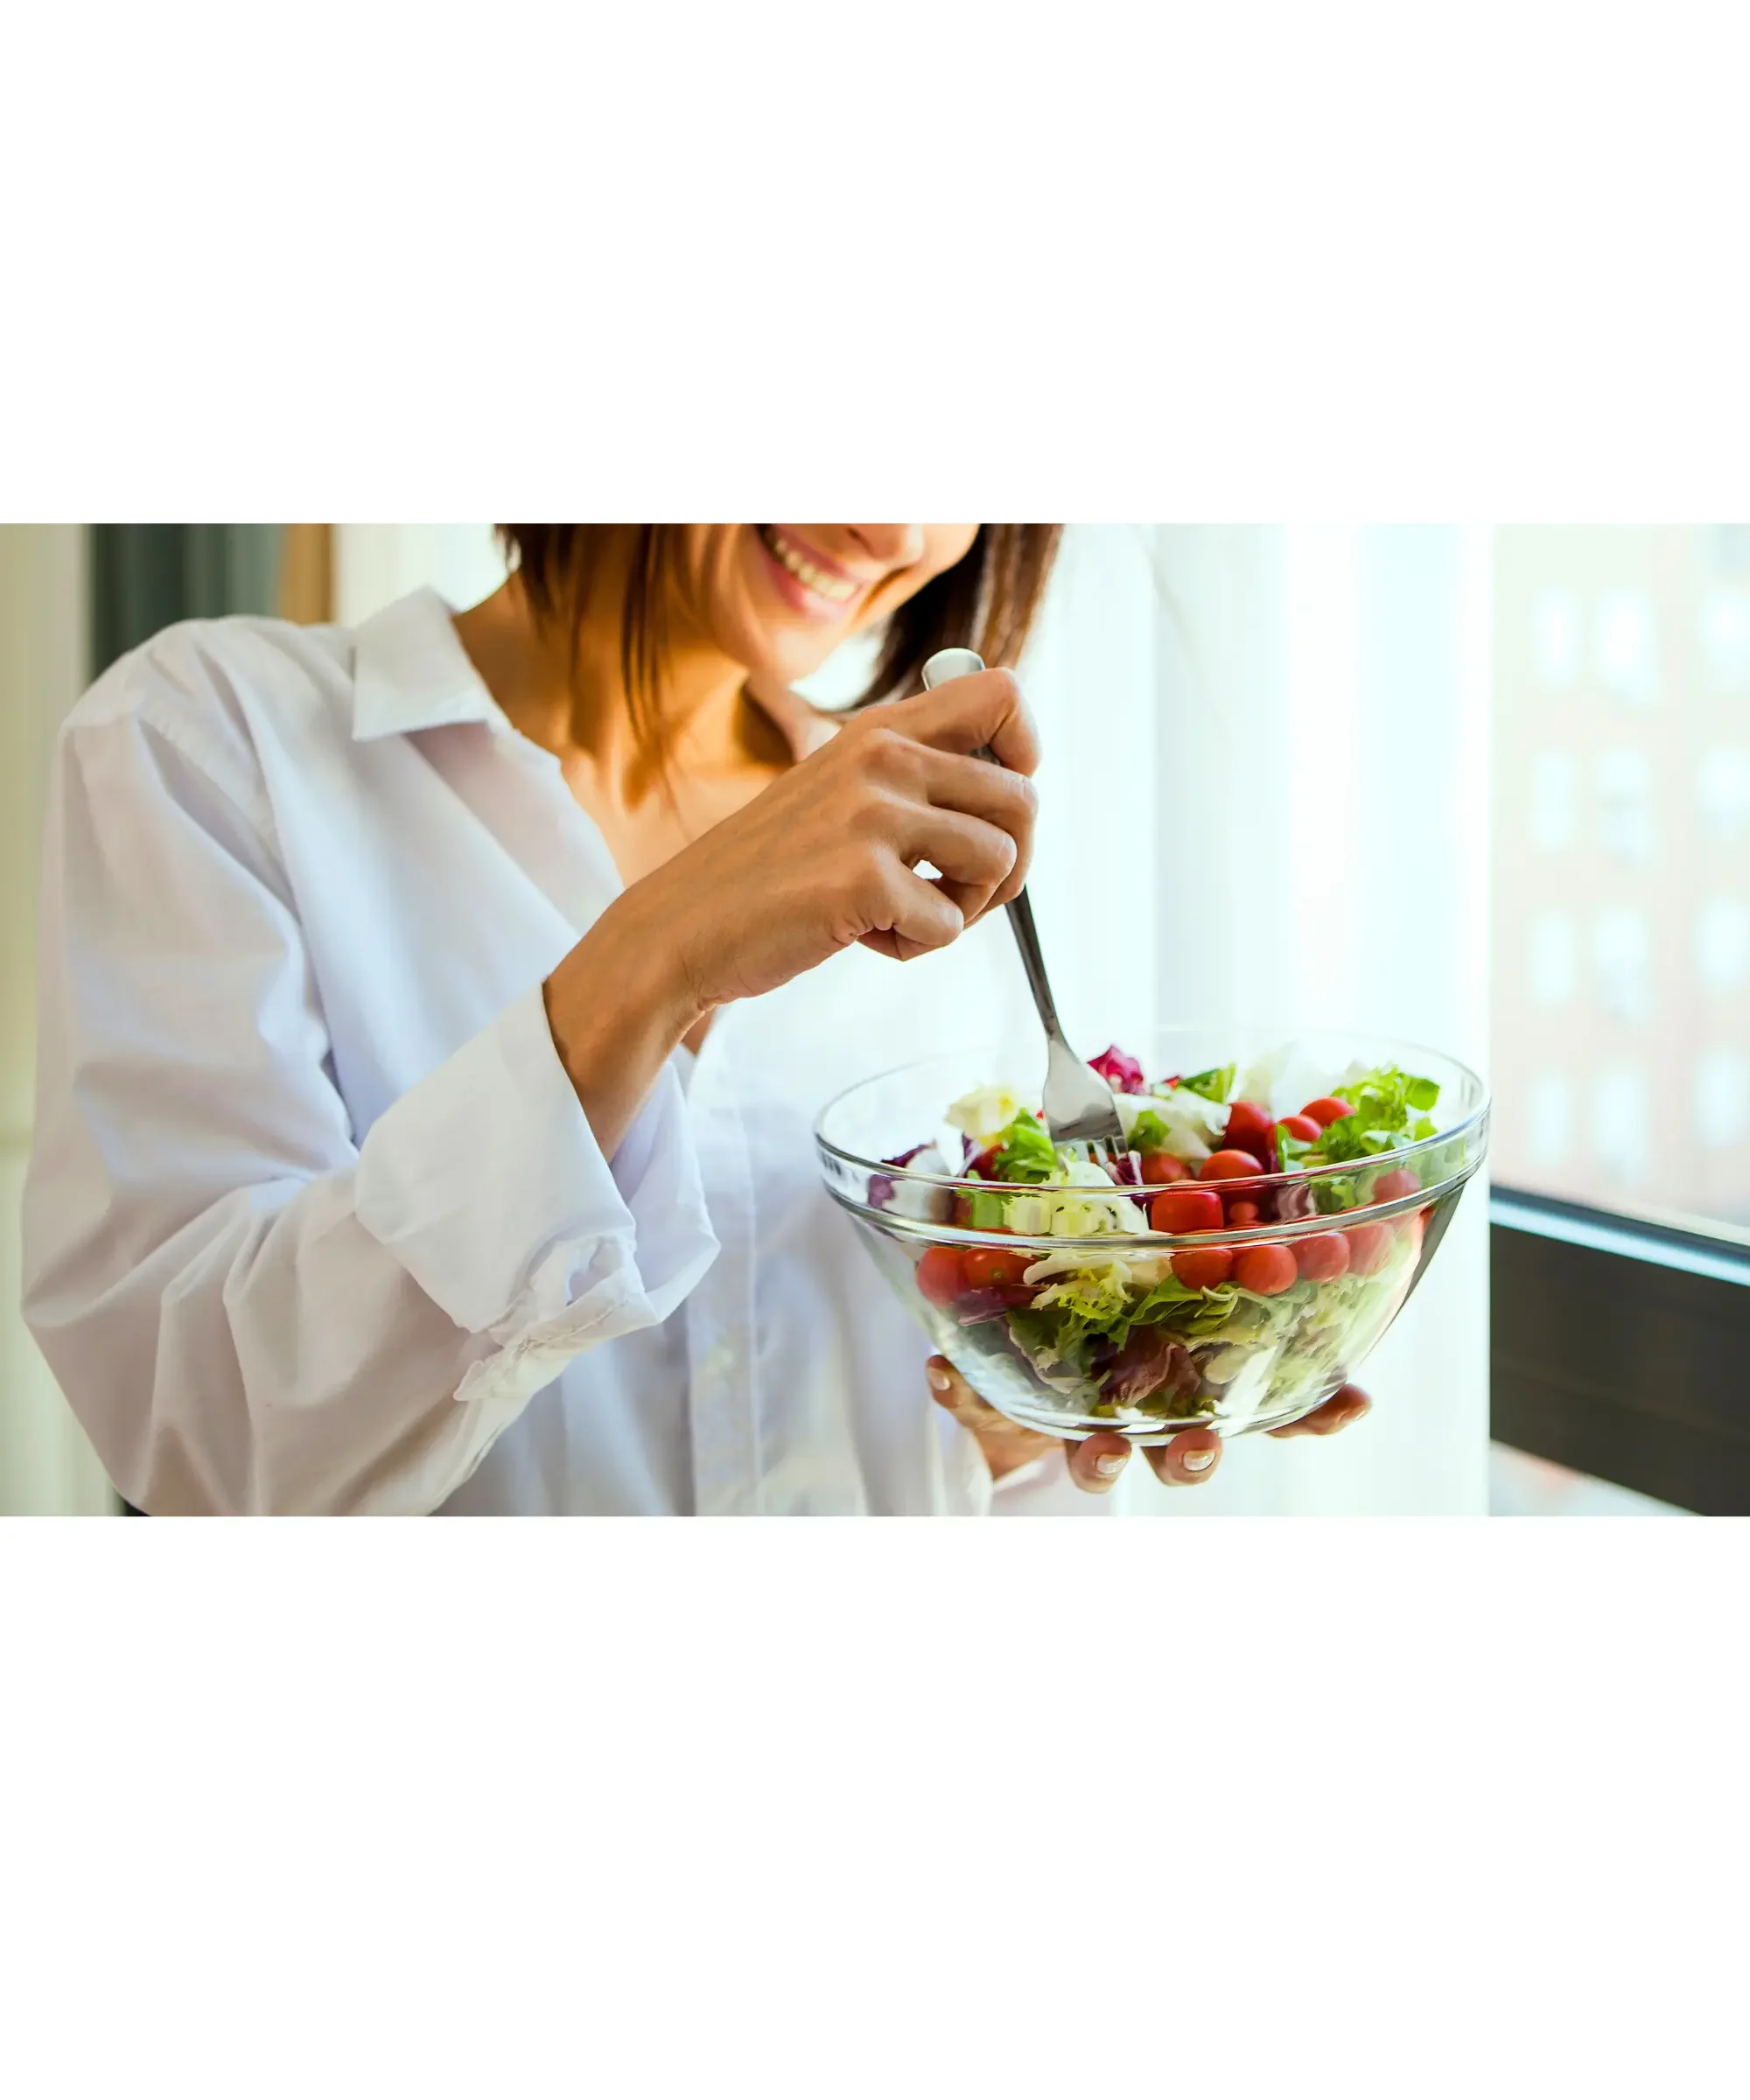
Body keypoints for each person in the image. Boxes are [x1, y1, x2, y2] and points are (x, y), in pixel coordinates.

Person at [21, 523, 1368, 1515]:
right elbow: (203, 1437)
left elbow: (926, 1461)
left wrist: (1024, 1421)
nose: (893, 529)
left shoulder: (927, 861)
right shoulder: (211, 740)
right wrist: (652, 959)